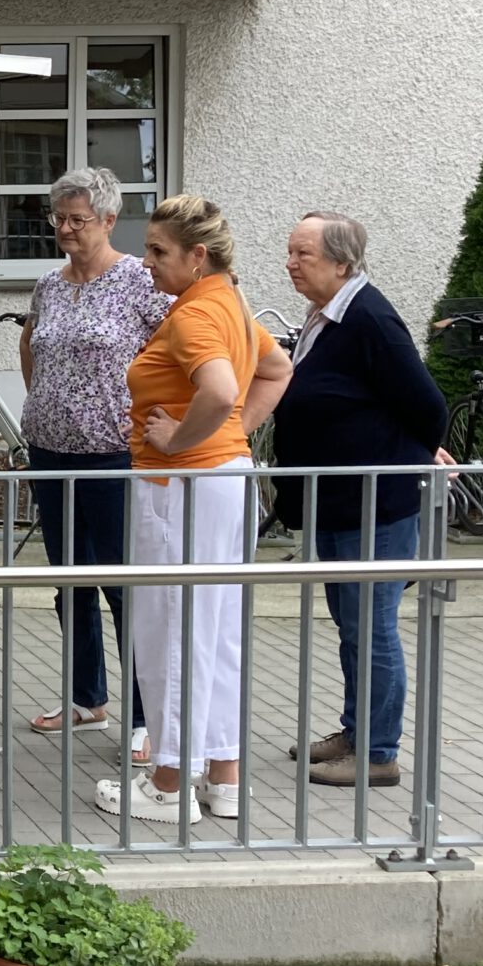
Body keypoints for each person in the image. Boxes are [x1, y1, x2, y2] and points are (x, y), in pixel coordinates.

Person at [97, 194, 292, 825]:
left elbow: (222, 389)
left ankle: (169, 782)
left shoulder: (194, 314)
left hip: (182, 484)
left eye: (159, 252)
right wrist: (227, 433)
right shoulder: (228, 305)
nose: (147, 262)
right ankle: (224, 777)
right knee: (215, 626)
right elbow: (276, 368)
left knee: (171, 628)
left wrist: (181, 439)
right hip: (220, 480)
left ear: (197, 256)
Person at [269, 211, 450, 790]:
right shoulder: (329, 314)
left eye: (304, 254)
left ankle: (378, 753)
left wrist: (418, 451)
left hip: (375, 502)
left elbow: (426, 403)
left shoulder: (370, 317)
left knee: (372, 626)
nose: (291, 263)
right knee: (352, 624)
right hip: (341, 501)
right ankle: (355, 731)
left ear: (342, 264)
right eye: (291, 252)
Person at [19, 167, 168, 753]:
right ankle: (87, 699)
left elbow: (177, 352)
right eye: (58, 218)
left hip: (115, 455)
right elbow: (31, 342)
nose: (65, 228)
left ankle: (143, 714)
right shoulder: (49, 285)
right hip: (51, 453)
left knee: (122, 587)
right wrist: (43, 400)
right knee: (70, 581)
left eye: (77, 219)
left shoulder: (140, 281)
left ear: (109, 220)